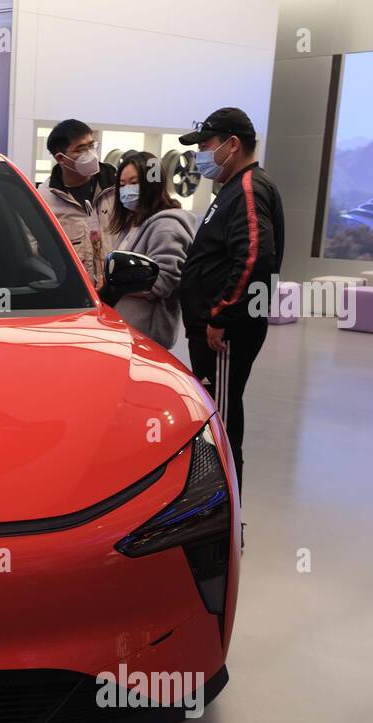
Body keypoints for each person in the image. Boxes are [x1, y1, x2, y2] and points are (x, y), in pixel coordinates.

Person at [176, 107, 284, 500]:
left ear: (232, 144)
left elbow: (255, 255)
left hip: (223, 334)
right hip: (211, 330)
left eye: (206, 146)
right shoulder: (234, 189)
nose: (201, 155)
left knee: (219, 423)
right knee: (216, 415)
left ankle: (222, 518)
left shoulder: (250, 188)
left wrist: (222, 315)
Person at [101, 151, 195, 349]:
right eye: (123, 184)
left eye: (134, 182)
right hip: (125, 331)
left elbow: (162, 282)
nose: (127, 190)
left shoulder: (167, 225)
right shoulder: (131, 223)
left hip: (147, 336)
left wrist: (114, 286)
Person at [38, 119, 118, 286]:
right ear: (61, 158)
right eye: (81, 149)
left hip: (117, 288)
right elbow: (37, 252)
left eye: (91, 145)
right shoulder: (45, 199)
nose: (90, 154)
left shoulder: (115, 185)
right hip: (79, 292)